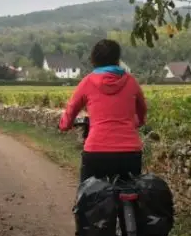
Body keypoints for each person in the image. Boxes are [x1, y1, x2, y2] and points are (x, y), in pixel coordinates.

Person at [58, 39, 147, 184]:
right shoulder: (131, 81)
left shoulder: (87, 82)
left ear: (94, 59)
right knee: (133, 191)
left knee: (86, 198)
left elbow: (71, 110)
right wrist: (136, 122)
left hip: (97, 151)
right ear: (117, 59)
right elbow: (142, 111)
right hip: (130, 152)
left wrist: (64, 125)